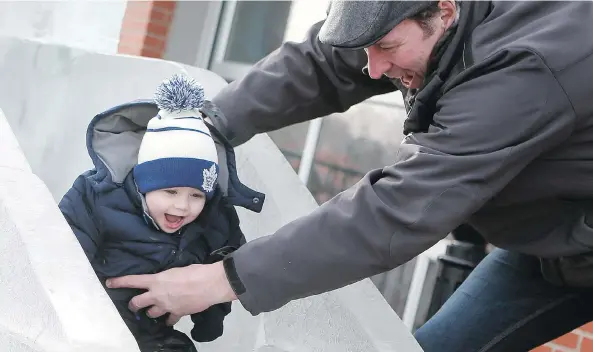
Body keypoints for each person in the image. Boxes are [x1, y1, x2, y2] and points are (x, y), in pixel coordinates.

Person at [106, 1, 593, 351]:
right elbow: (321, 63)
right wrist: (204, 125)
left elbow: (396, 212)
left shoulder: (525, 68)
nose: (374, 68)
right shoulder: (414, 19)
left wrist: (222, 278)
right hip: (556, 247)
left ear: (444, 11)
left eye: (387, 48)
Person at [58, 74, 264, 352]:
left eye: (196, 195)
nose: (182, 206)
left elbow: (223, 262)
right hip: (89, 322)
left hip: (152, 333)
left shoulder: (213, 220)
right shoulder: (98, 198)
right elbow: (64, 250)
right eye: (170, 192)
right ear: (144, 182)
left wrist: (210, 319)